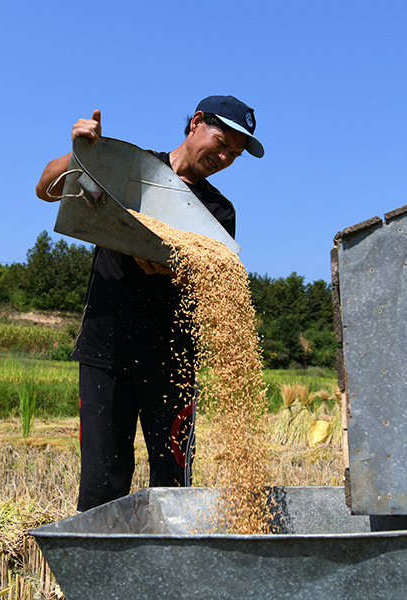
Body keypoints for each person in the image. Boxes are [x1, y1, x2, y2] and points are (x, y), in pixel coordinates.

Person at [36, 95, 264, 511]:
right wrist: (83, 153)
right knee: (102, 480)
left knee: (173, 483)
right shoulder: (133, 169)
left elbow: (211, 279)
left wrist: (173, 267)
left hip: (172, 362)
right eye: (221, 143)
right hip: (106, 350)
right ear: (196, 122)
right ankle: (101, 553)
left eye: (234, 154)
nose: (224, 158)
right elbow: (46, 188)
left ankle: (169, 555)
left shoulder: (217, 212)